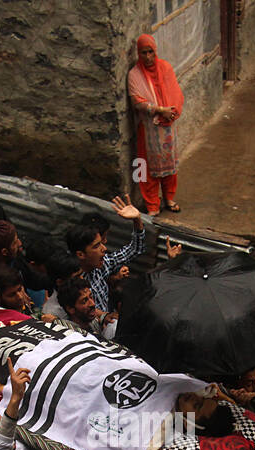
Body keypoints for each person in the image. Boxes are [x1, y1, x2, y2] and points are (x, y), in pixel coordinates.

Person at [65, 196, 146, 329]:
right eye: (97, 246)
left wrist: (137, 220)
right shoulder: (71, 284)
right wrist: (103, 317)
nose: (104, 248)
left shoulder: (102, 265)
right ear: (80, 254)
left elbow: (135, 249)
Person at [127, 35, 184, 215]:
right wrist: (159, 110)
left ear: (155, 51)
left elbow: (176, 92)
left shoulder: (165, 68)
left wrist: (171, 112)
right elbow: (137, 101)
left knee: (170, 165)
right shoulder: (134, 75)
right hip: (147, 129)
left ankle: (169, 198)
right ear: (138, 54)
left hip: (168, 126)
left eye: (151, 52)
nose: (148, 56)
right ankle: (151, 204)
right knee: (144, 166)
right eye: (144, 53)